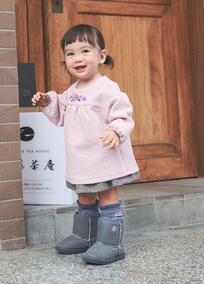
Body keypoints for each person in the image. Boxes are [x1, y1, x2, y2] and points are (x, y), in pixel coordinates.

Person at [32, 24, 139, 265]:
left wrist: (115, 130)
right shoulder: (71, 91)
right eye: (70, 54)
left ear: (101, 56)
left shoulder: (108, 89)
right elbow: (59, 113)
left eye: (84, 51)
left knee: (107, 197)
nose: (77, 58)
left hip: (105, 155)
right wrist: (48, 101)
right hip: (81, 157)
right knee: (84, 197)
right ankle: (85, 235)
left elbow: (123, 114)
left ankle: (112, 243)